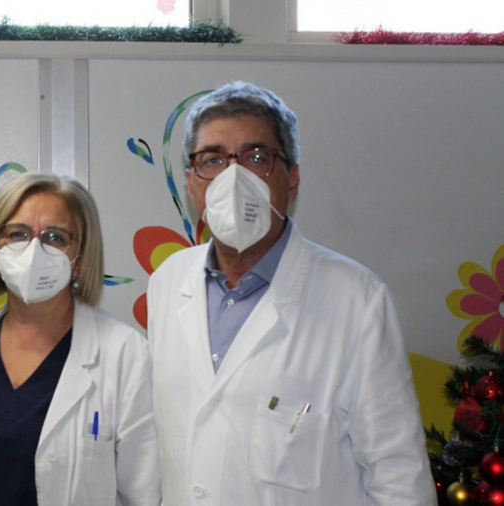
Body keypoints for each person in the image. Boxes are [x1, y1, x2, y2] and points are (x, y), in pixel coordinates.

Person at [146, 82, 435, 505]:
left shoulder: (357, 300)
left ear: (292, 178)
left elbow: (398, 477)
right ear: (192, 183)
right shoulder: (168, 282)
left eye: (256, 157)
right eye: (213, 160)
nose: (233, 179)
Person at [0, 173, 160, 506]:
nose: (34, 250)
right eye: (17, 233)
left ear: (79, 260)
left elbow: (143, 494)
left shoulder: (126, 354)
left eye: (55, 237)